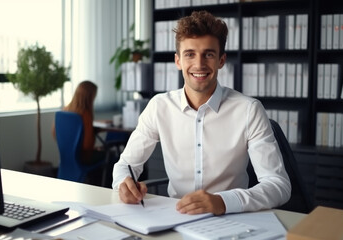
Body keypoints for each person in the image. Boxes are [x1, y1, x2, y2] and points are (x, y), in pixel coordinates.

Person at [112, 11, 291, 215]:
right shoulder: (159, 107)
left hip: (230, 219)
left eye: (208, 54)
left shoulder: (249, 110)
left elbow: (279, 185)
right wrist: (123, 185)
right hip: (174, 218)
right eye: (190, 54)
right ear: (178, 61)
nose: (199, 64)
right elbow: (125, 165)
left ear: (221, 60)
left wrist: (223, 202)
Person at [52, 80, 104, 165]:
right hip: (82, 158)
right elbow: (87, 145)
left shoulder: (65, 110)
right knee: (111, 155)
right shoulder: (85, 114)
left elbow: (55, 133)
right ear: (90, 96)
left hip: (66, 156)